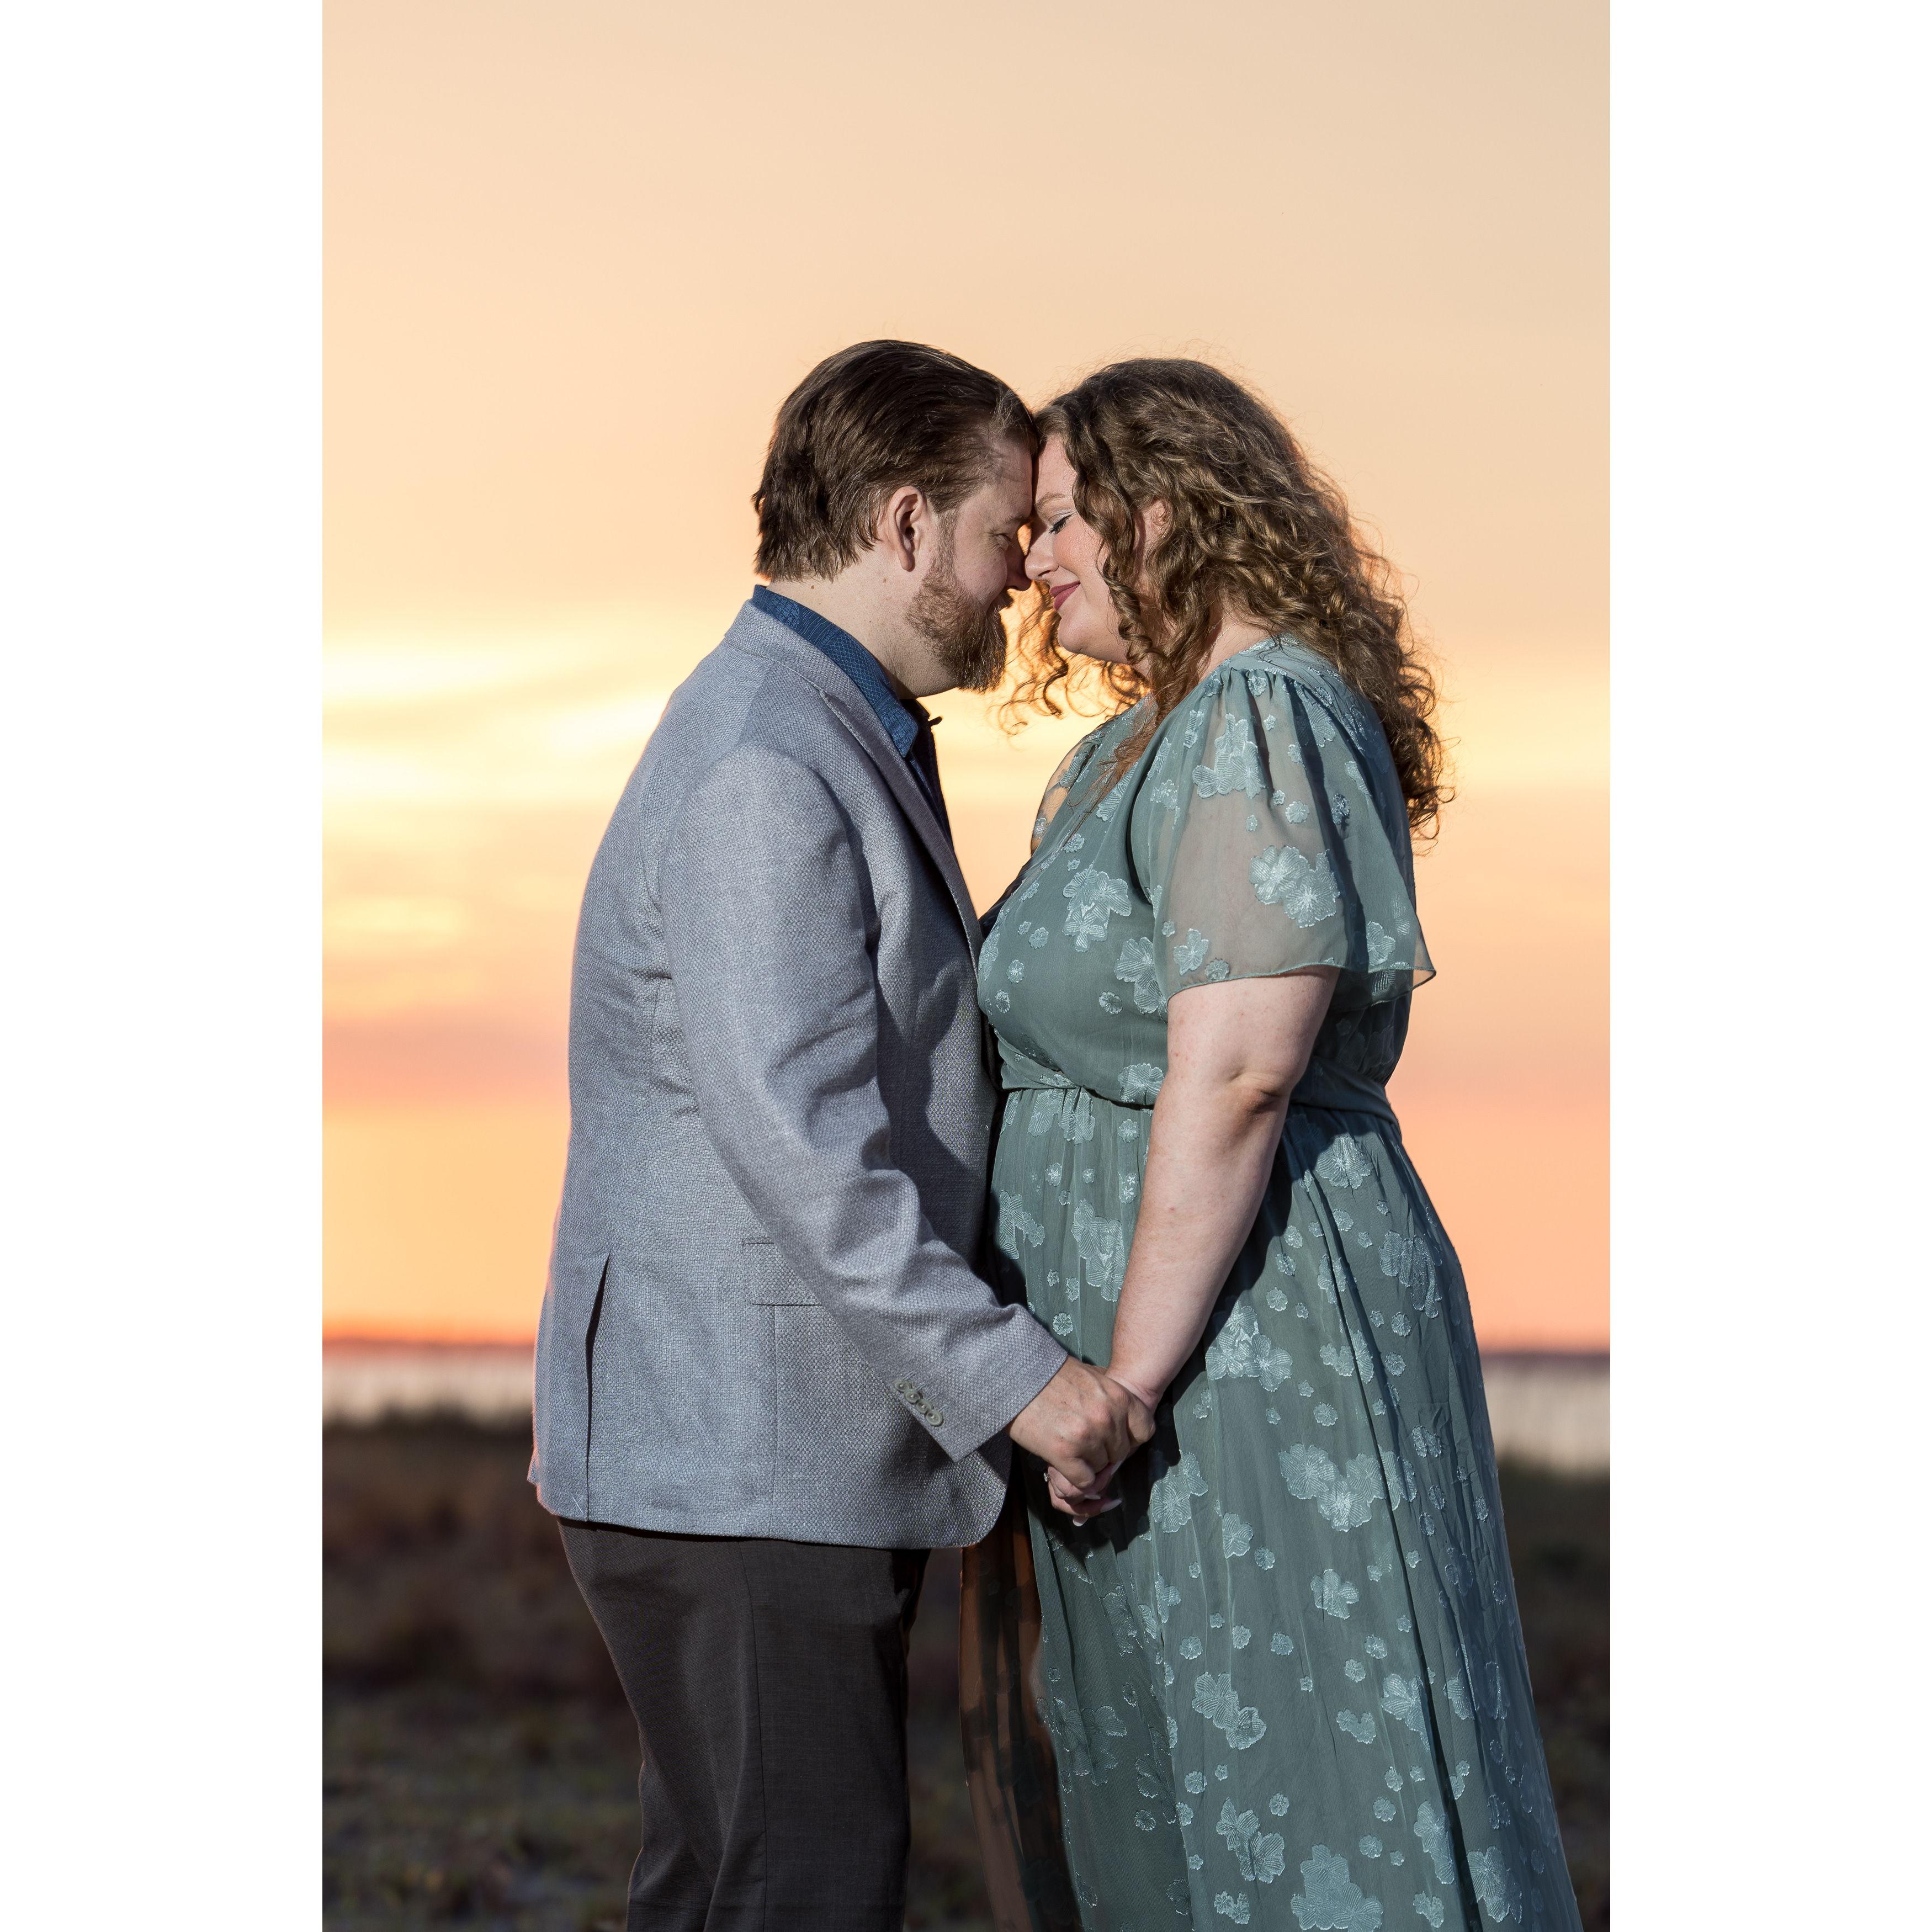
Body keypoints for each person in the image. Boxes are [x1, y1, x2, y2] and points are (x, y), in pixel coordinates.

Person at [529, 338, 1153, 1932]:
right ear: (903, 524)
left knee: (730, 1890)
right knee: (802, 1893)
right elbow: (806, 1152)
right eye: (1005, 530)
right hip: (741, 1455)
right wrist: (1021, 1381)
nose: (1023, 576)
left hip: (745, 1451)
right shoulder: (768, 758)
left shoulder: (815, 723)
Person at [962, 359, 1583, 1931]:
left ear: (1165, 511)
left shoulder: (1258, 712)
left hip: (1239, 1339)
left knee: (1303, 1784)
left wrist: (1126, 1383)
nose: (1033, 562)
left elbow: (1240, 1069)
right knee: (1170, 1788)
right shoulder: (1126, 747)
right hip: (1145, 1355)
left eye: (1062, 520)